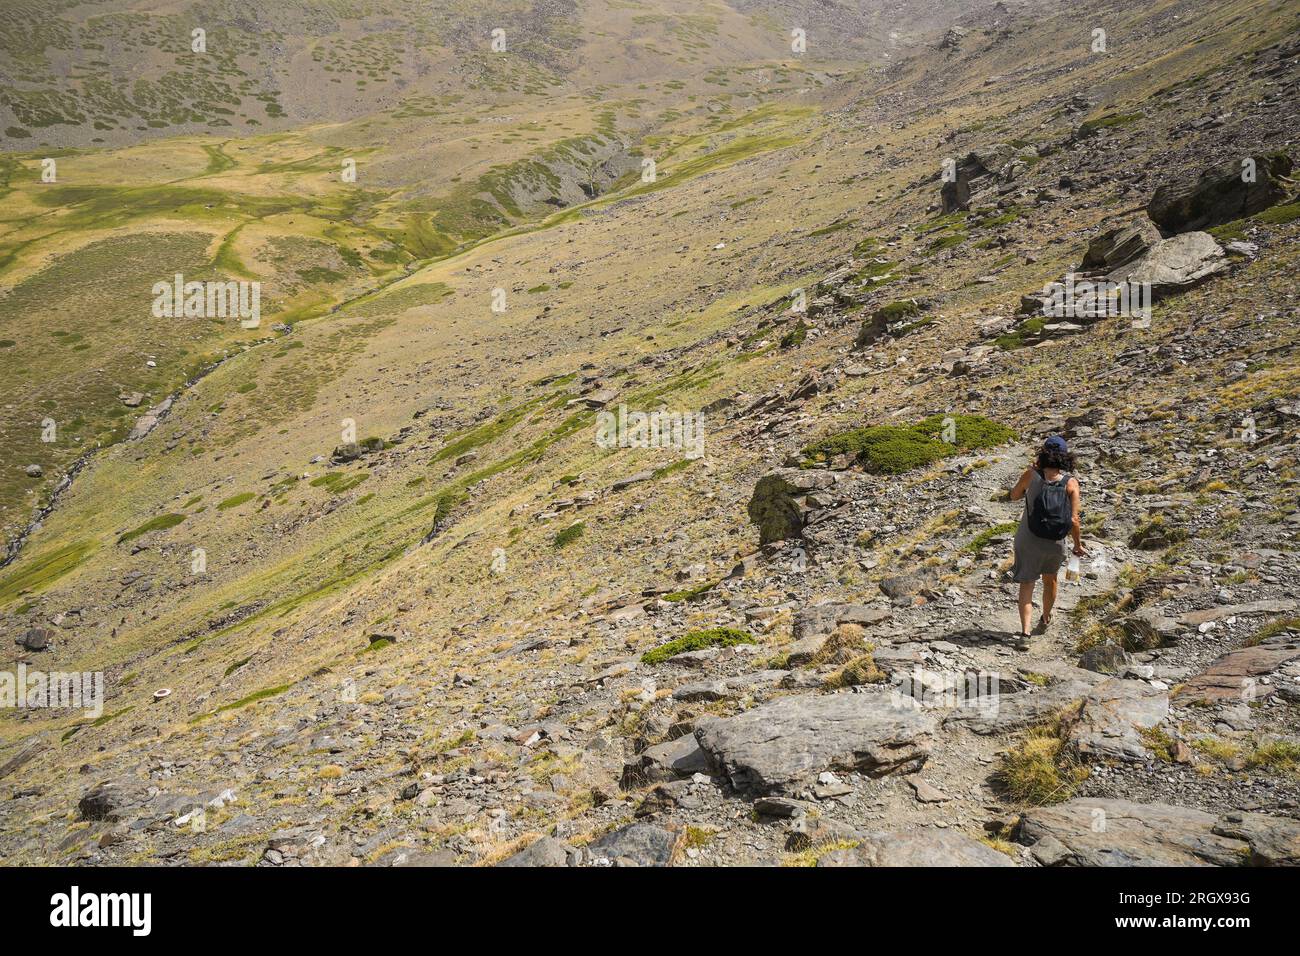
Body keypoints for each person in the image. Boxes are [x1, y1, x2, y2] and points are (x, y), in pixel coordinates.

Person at [1007, 435, 1085, 649]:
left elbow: (1014, 496)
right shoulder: (1070, 482)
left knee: (1027, 583)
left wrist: (1031, 475)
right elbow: (1074, 520)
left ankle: (1025, 633)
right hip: (1055, 541)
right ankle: (1045, 617)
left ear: (1043, 454)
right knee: (1050, 580)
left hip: (1028, 538)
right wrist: (1077, 545)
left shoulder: (1031, 475)